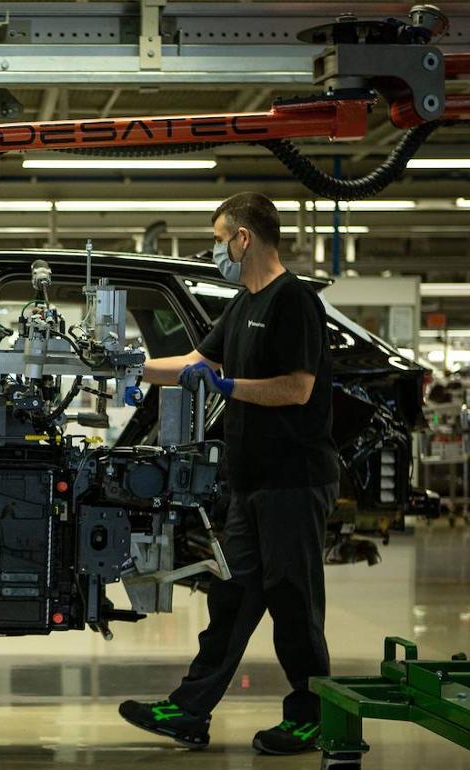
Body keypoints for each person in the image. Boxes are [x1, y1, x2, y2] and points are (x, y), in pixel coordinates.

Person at [118, 192, 338, 755]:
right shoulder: (241, 306)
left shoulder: (295, 303)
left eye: (219, 238)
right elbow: (198, 363)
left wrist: (231, 388)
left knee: (293, 604)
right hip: (249, 483)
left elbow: (299, 387)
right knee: (232, 598)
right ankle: (190, 709)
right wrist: (130, 368)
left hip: (294, 481)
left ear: (243, 238)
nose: (216, 248)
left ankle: (313, 716)